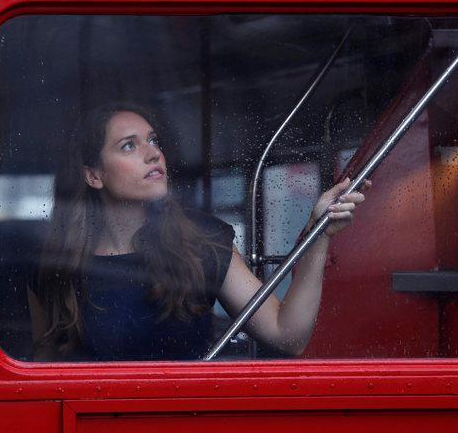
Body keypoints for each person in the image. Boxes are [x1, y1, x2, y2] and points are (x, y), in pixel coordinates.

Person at [27, 103, 364, 361]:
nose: (153, 153)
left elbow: (286, 335)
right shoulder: (57, 265)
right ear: (94, 176)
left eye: (153, 141)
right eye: (129, 146)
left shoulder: (200, 241)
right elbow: (45, 365)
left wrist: (320, 232)